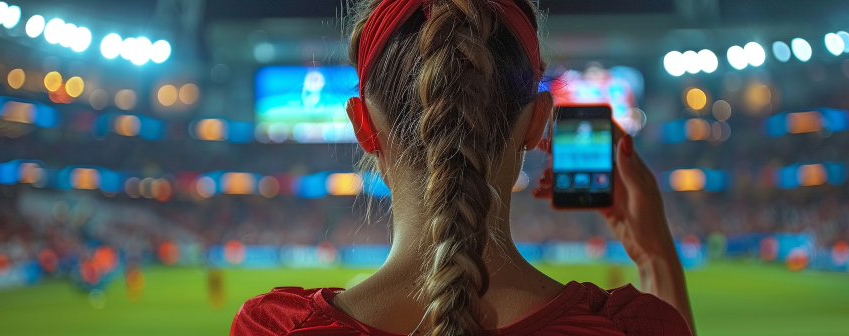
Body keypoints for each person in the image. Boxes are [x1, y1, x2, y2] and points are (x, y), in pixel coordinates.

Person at [231, 0, 694, 335]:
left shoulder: (273, 328)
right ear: (537, 124)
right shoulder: (633, 327)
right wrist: (656, 257)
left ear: (363, 128)